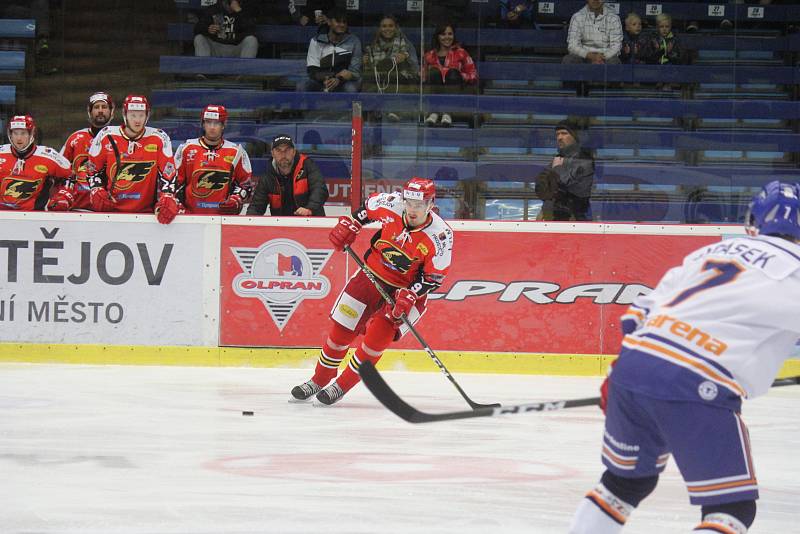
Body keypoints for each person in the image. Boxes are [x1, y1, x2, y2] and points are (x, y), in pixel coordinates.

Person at [569, 180, 800, 534]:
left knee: (624, 483)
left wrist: (620, 373)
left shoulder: (711, 253)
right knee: (731, 509)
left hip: (633, 366)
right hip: (697, 381)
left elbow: (638, 313)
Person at [290, 177, 454, 405]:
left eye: (419, 205)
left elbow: (435, 277)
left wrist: (412, 293)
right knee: (341, 332)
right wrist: (351, 224)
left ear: (430, 204)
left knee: (376, 340)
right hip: (371, 275)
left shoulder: (441, 236)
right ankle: (320, 379)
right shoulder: (391, 204)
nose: (413, 209)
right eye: (409, 203)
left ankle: (341, 386)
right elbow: (366, 209)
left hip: (407, 293)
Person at [81, 94, 182, 224]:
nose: (137, 120)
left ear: (147, 115)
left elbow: (169, 172)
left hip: (146, 214)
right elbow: (91, 167)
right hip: (110, 213)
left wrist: (168, 195)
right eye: (133, 115)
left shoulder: (159, 137)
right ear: (125, 115)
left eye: (141, 115)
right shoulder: (106, 134)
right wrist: (96, 189)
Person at [174, 105, 253, 215]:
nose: (212, 127)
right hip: (190, 216)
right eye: (208, 122)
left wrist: (236, 199)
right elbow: (174, 182)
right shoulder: (186, 148)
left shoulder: (236, 151)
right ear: (203, 124)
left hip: (223, 218)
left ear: (223, 125)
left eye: (216, 123)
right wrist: (176, 204)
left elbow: (246, 184)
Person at [0, 115, 75, 211]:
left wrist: (63, 196)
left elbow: (70, 175)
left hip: (36, 216)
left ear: (31, 134)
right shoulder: (1, 153)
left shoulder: (48, 155)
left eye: (23, 133)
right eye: (15, 133)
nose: (19, 138)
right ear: (10, 134)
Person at [246, 134, 328, 216]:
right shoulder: (268, 176)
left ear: (294, 152)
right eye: (278, 150)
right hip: (282, 225)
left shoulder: (307, 165)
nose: (283, 154)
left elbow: (320, 189)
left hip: (311, 223)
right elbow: (256, 207)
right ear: (272, 154)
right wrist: (247, 223)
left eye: (287, 150)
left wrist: (310, 208)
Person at [60, 91, 115, 211]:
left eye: (104, 107)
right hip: (77, 209)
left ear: (112, 112)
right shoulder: (75, 138)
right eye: (96, 107)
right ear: (89, 112)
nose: (100, 110)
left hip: (109, 210)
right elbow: (60, 172)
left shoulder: (119, 139)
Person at [534, 121, 594, 221]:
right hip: (551, 215)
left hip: (573, 218)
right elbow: (542, 188)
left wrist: (556, 170)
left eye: (564, 133)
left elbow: (564, 185)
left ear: (575, 137)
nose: (559, 138)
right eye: (557, 134)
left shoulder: (584, 160)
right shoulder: (558, 158)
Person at [422, 23, 478, 127]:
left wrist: (460, 75)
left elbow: (473, 75)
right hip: (434, 94)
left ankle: (447, 113)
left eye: (450, 34)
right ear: (437, 36)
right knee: (434, 73)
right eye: (443, 34)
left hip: (456, 93)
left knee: (452, 73)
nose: (447, 37)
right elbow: (423, 77)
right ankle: (434, 113)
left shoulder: (461, 52)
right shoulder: (429, 55)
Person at [298, 9, 362, 93]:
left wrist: (338, 79)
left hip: (343, 82)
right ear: (329, 22)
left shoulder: (354, 41)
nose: (342, 25)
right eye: (338, 21)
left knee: (351, 89)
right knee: (302, 86)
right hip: (321, 81)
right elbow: (312, 70)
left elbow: (355, 71)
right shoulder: (316, 41)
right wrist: (327, 78)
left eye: (344, 22)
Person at [363, 15, 420, 97]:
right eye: (384, 26)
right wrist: (365, 63)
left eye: (391, 26)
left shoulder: (407, 45)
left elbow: (415, 70)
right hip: (379, 84)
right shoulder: (372, 47)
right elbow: (369, 71)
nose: (387, 29)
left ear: (396, 27)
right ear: (379, 29)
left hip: (401, 85)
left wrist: (406, 58)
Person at [563, 0, 623, 65]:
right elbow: (572, 46)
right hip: (584, 57)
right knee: (569, 60)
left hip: (605, 58)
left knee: (614, 61)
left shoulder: (614, 18)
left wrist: (601, 58)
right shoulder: (577, 17)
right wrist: (592, 57)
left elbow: (616, 47)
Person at [194, 0, 259, 59]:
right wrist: (208, 28)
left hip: (236, 49)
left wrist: (239, 11)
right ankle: (203, 71)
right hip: (216, 48)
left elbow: (252, 30)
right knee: (199, 38)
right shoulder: (214, 9)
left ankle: (243, 71)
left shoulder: (246, 9)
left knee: (252, 40)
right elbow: (197, 28)